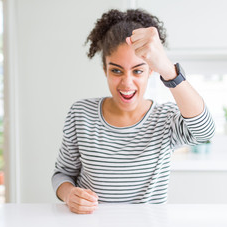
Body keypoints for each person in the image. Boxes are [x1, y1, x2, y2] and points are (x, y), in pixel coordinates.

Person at [52, 8, 215, 214]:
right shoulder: (81, 114)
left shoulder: (165, 119)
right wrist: (69, 195)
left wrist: (168, 68)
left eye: (138, 70)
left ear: (151, 70)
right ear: (105, 70)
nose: (127, 83)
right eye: (116, 70)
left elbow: (205, 132)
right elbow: (62, 174)